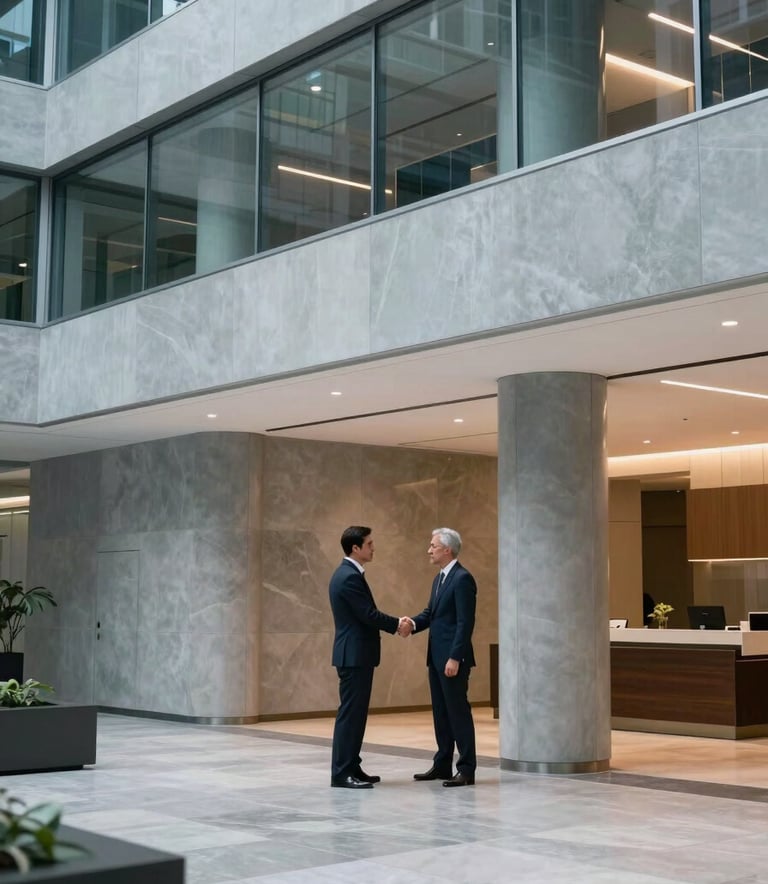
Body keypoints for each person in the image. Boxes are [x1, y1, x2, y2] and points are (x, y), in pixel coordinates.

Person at [328, 525, 412, 789]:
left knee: (357, 714)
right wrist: (398, 623)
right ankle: (342, 773)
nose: (373, 547)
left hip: (356, 655)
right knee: (351, 715)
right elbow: (368, 614)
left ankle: (352, 765)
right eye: (369, 543)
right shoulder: (349, 577)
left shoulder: (348, 574)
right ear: (356, 548)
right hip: (354, 656)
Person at [408, 527, 477, 787]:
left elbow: (465, 622)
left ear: (447, 549)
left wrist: (455, 657)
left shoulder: (462, 579)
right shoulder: (439, 579)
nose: (429, 550)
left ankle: (467, 769)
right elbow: (430, 614)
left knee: (458, 713)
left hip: (452, 660)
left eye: (433, 545)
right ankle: (442, 764)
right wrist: (410, 625)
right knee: (441, 713)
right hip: (435, 658)